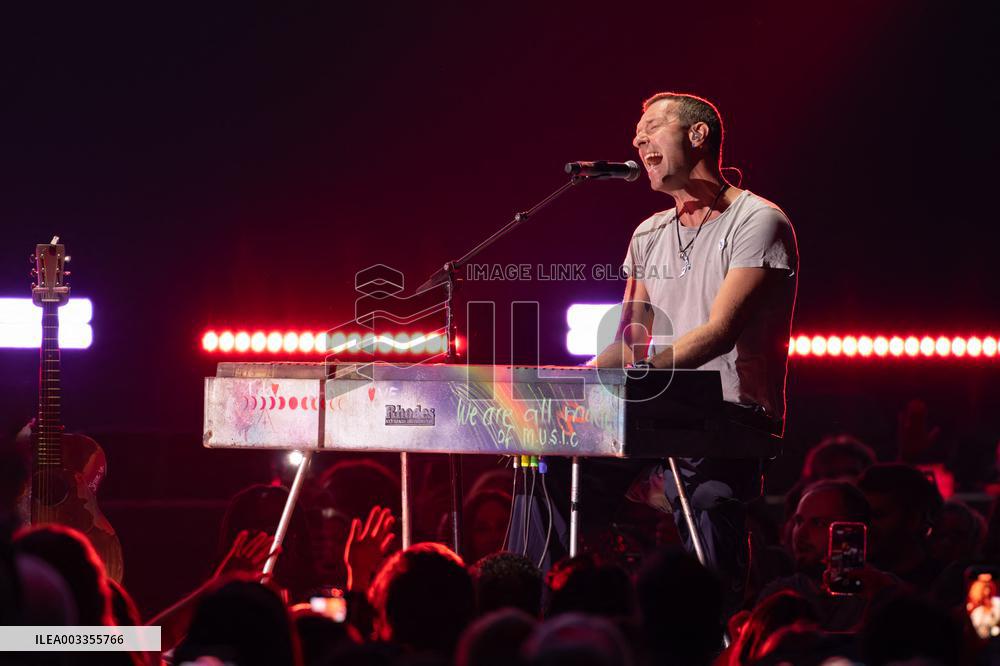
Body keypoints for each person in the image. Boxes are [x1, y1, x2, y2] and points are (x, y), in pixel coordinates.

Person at [592, 92, 799, 609]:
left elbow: (720, 331)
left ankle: (716, 635)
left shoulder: (758, 220)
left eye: (652, 127)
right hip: (658, 416)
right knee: (547, 471)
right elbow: (629, 342)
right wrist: (563, 390)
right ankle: (531, 616)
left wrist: (638, 382)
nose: (638, 140)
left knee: (708, 501)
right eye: (636, 134)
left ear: (698, 134)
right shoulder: (648, 233)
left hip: (732, 419)